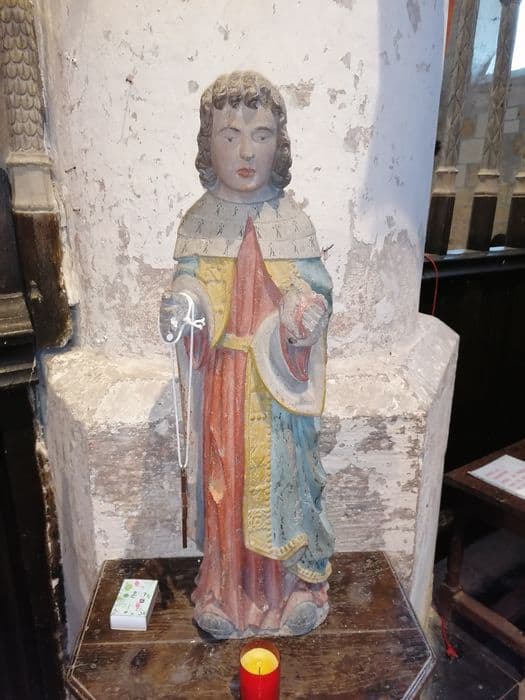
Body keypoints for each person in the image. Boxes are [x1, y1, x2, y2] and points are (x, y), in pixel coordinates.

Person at [159, 71, 334, 639]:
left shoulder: (293, 222)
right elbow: (191, 285)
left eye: (260, 136)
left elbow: (315, 291)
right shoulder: (199, 220)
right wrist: (183, 306)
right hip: (226, 386)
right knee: (227, 488)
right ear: (207, 142)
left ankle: (295, 589)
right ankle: (224, 592)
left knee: (287, 487)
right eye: (229, 135)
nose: (245, 152)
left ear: (279, 144)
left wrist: (304, 312)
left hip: (278, 387)